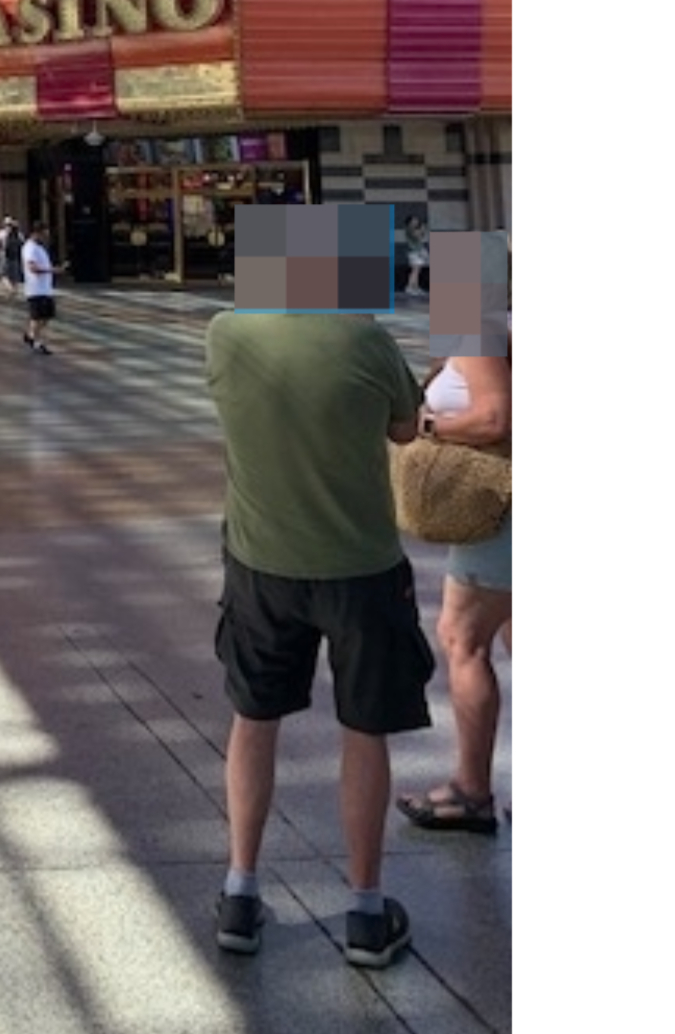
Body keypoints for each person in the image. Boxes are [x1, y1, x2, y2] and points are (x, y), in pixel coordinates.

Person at [203, 307, 435, 970]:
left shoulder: (226, 332)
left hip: (260, 565)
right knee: (363, 730)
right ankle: (365, 911)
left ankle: (240, 895)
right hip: (360, 567)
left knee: (253, 720)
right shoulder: (365, 337)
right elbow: (401, 429)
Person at [398, 326, 513, 833]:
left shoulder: (480, 328)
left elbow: (495, 416)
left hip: (501, 513)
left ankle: (471, 790)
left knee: (462, 638)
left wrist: (429, 425)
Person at [20, 224, 57, 353]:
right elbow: (32, 268)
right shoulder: (30, 248)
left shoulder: (39, 248)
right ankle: (37, 342)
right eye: (44, 234)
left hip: (45, 288)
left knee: (46, 316)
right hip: (35, 289)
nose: (46, 237)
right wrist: (51, 270)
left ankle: (30, 336)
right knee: (37, 317)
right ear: (36, 233)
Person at [0, 217, 24, 297]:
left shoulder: (1, 233)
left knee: (3, 274)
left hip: (5, 257)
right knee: (14, 276)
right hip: (15, 257)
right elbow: (22, 245)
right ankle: (15, 290)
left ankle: (11, 290)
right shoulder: (19, 234)